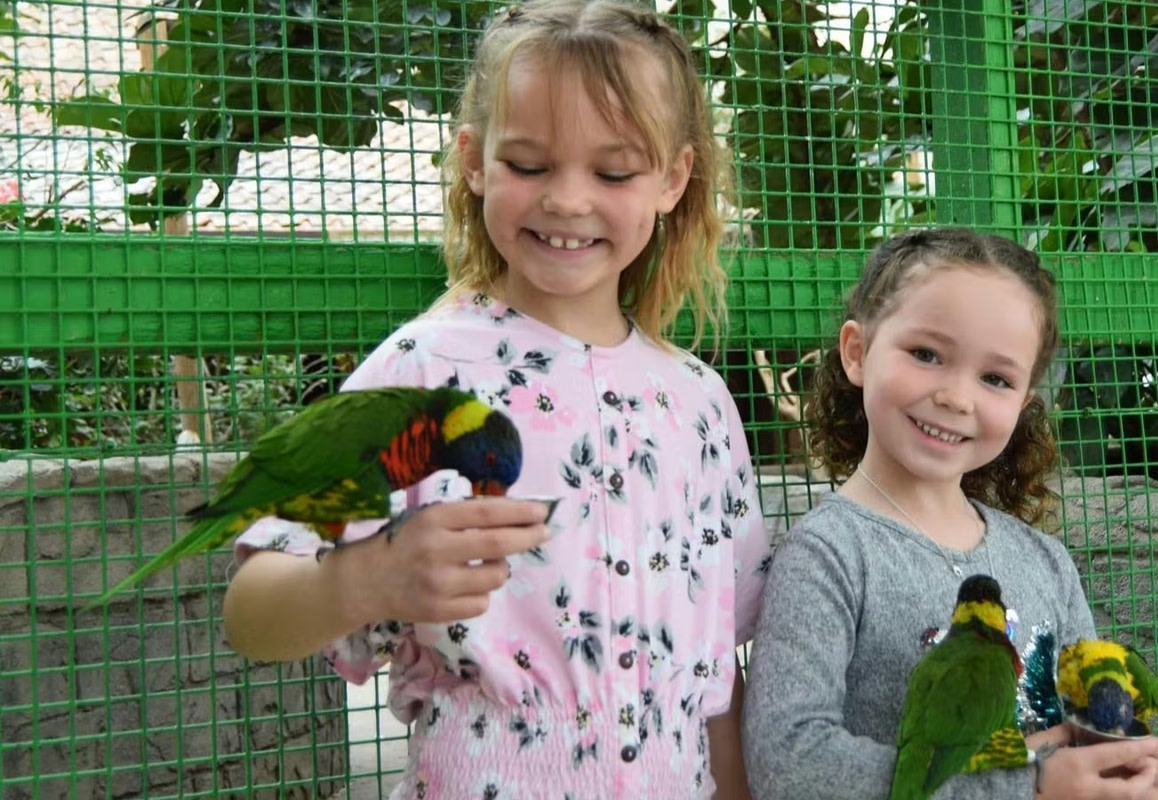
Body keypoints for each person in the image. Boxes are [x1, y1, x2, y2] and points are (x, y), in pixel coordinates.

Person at [222, 2, 773, 798]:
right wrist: (367, 577)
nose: (567, 200)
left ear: (672, 179)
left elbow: (716, 676)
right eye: (529, 165)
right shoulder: (420, 372)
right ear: (474, 160)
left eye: (613, 172)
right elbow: (251, 611)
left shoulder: (699, 402)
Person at [741, 228, 1158, 800]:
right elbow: (788, 763)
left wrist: (1117, 759)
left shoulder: (1047, 561)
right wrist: (1027, 785)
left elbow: (1081, 724)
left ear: (1024, 402)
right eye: (926, 355)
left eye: (995, 378)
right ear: (857, 353)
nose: (957, 397)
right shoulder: (827, 554)